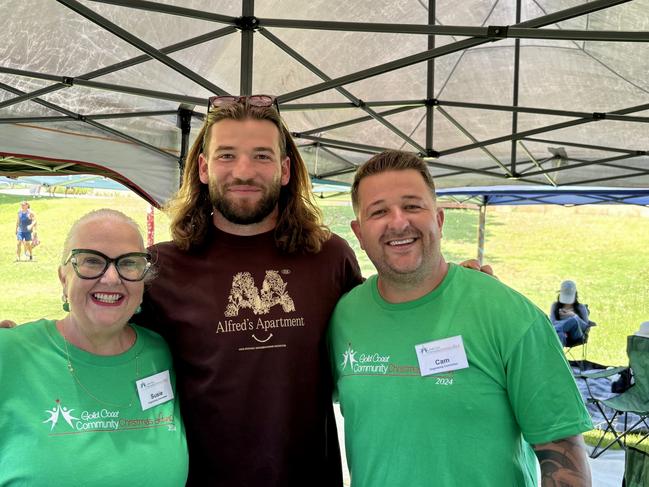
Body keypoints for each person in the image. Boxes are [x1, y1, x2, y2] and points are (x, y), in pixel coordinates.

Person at [328, 150, 593, 486]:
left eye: (412, 206)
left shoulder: (509, 314)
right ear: (359, 232)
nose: (398, 222)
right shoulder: (344, 317)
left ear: (438, 219)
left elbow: (563, 453)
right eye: (379, 211)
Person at [138, 95, 364, 487]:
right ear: (205, 169)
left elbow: (383, 331)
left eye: (261, 156)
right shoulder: (160, 268)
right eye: (227, 156)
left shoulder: (330, 257)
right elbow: (105, 347)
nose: (244, 172)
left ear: (285, 169)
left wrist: (445, 289)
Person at [0, 209, 188, 486]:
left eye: (128, 264)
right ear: (64, 278)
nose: (111, 278)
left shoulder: (162, 352)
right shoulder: (10, 353)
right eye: (91, 260)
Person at [550, 280, 592, 347]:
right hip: (560, 334)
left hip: (576, 335)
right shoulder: (555, 306)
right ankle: (558, 357)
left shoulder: (581, 307)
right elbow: (552, 322)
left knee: (573, 320)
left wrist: (573, 315)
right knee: (560, 335)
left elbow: (585, 327)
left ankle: (548, 332)